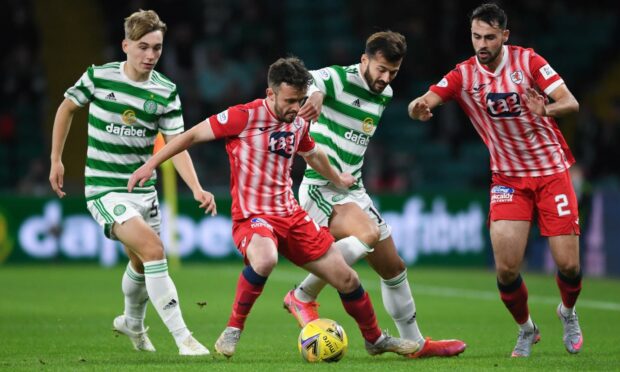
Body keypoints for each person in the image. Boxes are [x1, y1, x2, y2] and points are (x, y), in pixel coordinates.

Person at [128, 57, 420, 359]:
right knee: (265, 259)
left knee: (348, 279)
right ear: (271, 94)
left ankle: (374, 340)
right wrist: (150, 165)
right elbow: (188, 136)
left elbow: (313, 153)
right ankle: (232, 330)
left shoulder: (299, 121)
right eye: (290, 100)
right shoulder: (243, 117)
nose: (296, 107)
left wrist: (337, 178)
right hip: (253, 216)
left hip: (291, 216)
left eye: (300, 100)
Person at [408, 3, 583, 358]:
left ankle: (567, 312)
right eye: (476, 37)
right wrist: (418, 107)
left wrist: (544, 109)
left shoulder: (529, 62)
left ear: (505, 35)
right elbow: (428, 97)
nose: (482, 44)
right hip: (508, 178)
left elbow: (571, 102)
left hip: (551, 172)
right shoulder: (464, 74)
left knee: (569, 265)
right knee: (505, 269)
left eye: (489, 37)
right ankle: (526, 329)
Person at [282, 30, 467, 358]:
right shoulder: (340, 78)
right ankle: (302, 296)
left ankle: (415, 345)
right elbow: (309, 80)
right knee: (366, 232)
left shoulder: (386, 93)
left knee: (393, 268)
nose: (385, 78)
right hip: (321, 186)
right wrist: (315, 95)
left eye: (393, 72)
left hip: (354, 188)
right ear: (364, 60)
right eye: (380, 69)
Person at [49, 10, 215, 356]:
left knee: (142, 262)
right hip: (104, 189)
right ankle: (184, 338)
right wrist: (56, 158)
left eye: (157, 48)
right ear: (126, 45)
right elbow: (66, 109)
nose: (151, 55)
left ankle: (131, 323)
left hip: (144, 192)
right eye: (143, 47)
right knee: (154, 249)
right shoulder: (99, 77)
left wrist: (197, 187)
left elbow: (176, 144)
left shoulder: (165, 91)